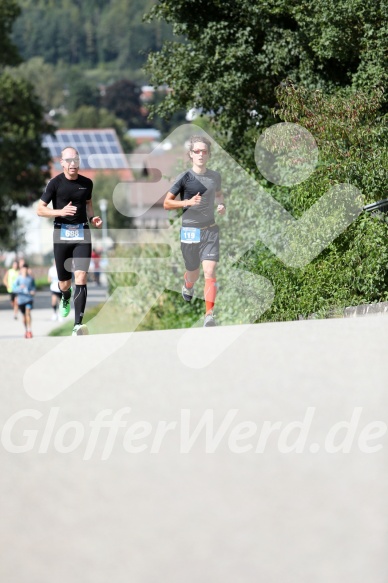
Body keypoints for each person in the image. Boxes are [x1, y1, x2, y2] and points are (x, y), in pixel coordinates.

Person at [37, 146, 102, 336]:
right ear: (62, 163)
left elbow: (88, 203)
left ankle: (77, 325)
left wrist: (93, 218)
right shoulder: (55, 184)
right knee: (64, 282)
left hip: (82, 233)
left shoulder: (87, 183)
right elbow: (40, 209)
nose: (73, 164)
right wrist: (60, 212)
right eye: (69, 160)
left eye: (76, 160)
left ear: (79, 162)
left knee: (81, 277)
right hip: (61, 235)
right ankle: (65, 295)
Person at [163, 135, 226, 326]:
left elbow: (219, 194)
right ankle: (188, 285)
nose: (200, 154)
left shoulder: (214, 176)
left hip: (210, 230)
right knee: (194, 273)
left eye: (204, 151)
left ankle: (209, 315)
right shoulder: (185, 177)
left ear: (208, 155)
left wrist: (221, 205)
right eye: (196, 151)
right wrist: (187, 202)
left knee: (210, 270)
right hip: (190, 231)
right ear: (191, 154)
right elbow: (166, 203)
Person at [12, 263, 36, 338]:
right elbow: (14, 288)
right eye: (23, 269)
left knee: (28, 312)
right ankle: (26, 330)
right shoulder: (18, 279)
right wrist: (20, 287)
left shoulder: (31, 278)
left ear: (27, 270)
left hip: (29, 299)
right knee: (24, 316)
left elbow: (33, 288)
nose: (25, 270)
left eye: (26, 269)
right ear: (21, 270)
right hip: (21, 300)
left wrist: (33, 291)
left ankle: (29, 330)